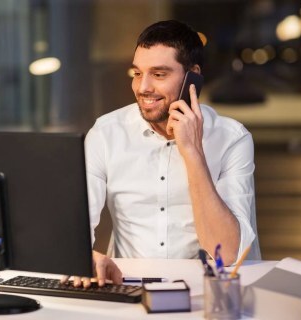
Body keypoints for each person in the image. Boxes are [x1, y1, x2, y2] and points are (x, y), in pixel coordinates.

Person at [66, 20, 259, 288]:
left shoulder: (233, 139)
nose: (143, 87)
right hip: (127, 288)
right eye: (137, 73)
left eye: (158, 74)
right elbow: (74, 228)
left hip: (208, 289)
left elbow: (225, 253)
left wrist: (192, 150)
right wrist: (85, 257)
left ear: (193, 77)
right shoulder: (107, 133)